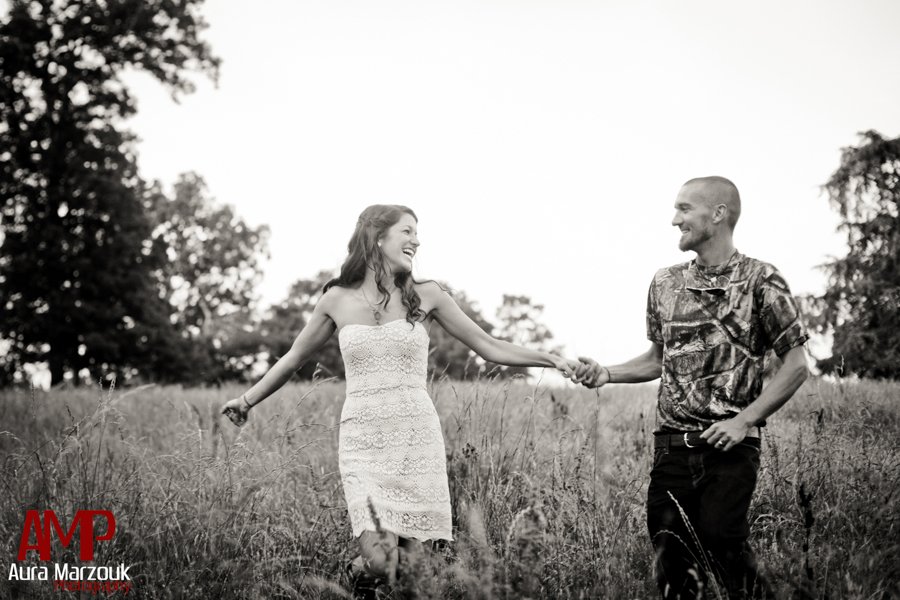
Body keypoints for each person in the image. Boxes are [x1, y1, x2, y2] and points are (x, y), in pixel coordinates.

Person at [222, 204, 577, 596]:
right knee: (380, 561)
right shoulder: (335, 300)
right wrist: (246, 400)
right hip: (363, 442)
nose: (416, 240)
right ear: (377, 236)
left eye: (416, 233)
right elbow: (293, 358)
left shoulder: (428, 295)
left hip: (415, 439)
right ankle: (359, 572)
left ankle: (372, 585)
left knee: (411, 571)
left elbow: (489, 346)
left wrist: (552, 359)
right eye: (407, 231)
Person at [574, 176, 809, 599]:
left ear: (718, 214)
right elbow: (654, 360)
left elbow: (796, 366)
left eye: (685, 209)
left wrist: (745, 421)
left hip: (730, 449)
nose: (674, 219)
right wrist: (605, 373)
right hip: (671, 449)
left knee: (724, 547)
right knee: (671, 560)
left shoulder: (762, 279)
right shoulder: (665, 282)